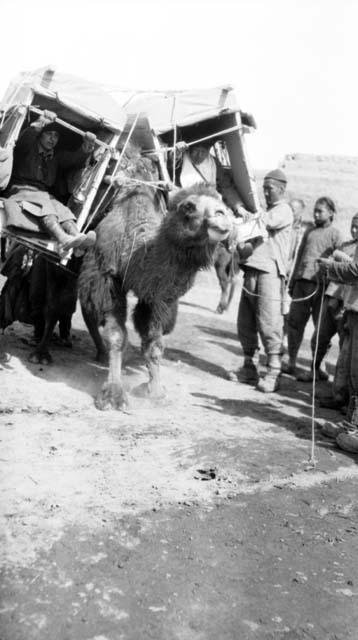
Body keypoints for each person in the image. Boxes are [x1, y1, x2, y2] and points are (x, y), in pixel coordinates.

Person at [3, 110, 97, 253]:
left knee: (62, 210)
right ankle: (63, 239)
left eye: (56, 136)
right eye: (49, 134)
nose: (52, 139)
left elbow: (74, 159)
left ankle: (77, 238)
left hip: (43, 194)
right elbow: (25, 139)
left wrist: (86, 149)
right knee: (46, 203)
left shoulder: (56, 156)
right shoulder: (29, 148)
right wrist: (40, 124)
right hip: (21, 189)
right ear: (41, 135)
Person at [234, 168, 293, 393]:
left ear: (281, 189)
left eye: (269, 189)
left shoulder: (284, 210)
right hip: (251, 269)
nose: (266, 193)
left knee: (269, 322)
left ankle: (274, 371)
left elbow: (262, 223)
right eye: (264, 188)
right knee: (245, 321)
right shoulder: (266, 211)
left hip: (270, 272)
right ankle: (249, 367)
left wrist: (246, 215)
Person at [282, 197, 342, 380]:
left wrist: (331, 289)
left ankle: (319, 368)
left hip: (321, 288)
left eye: (320, 211)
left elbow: (339, 263)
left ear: (331, 213)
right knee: (294, 324)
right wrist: (292, 282)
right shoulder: (309, 232)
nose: (316, 214)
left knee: (321, 330)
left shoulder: (335, 235)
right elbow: (300, 256)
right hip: (302, 283)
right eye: (315, 210)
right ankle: (291, 361)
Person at [318, 246, 358, 453]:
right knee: (352, 372)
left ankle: (354, 431)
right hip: (354, 310)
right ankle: (350, 426)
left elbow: (356, 270)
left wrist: (332, 267)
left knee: (357, 373)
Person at [168, 141, 244, 216]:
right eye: (196, 150)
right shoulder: (182, 158)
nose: (199, 155)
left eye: (203, 151)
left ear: (208, 151)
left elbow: (226, 185)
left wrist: (238, 207)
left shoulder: (213, 162)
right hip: (188, 206)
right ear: (190, 149)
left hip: (211, 203)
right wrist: (176, 152)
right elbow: (172, 164)